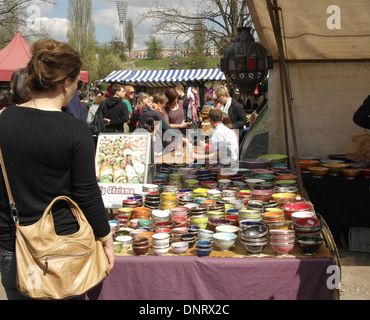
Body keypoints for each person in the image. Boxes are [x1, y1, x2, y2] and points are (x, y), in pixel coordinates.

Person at [0, 39, 114, 300]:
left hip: (11, 243)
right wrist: (106, 238)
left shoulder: (3, 119)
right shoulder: (75, 130)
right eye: (77, 83)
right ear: (67, 82)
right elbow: (86, 193)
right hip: (63, 248)